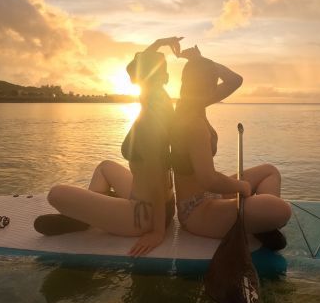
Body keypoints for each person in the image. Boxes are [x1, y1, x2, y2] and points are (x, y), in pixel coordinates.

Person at [34, 37, 181, 257]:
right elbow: (136, 65)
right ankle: (89, 216)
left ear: (139, 78)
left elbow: (156, 172)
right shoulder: (161, 99)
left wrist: (157, 233)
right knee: (106, 167)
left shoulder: (150, 119)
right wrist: (159, 43)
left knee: (55, 194)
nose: (132, 74)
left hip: (142, 215)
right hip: (163, 205)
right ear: (165, 77)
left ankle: (86, 218)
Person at [170, 46, 291, 250]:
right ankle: (260, 221)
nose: (217, 88)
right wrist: (241, 187)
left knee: (270, 171)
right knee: (281, 210)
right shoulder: (192, 123)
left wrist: (198, 60)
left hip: (211, 197)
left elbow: (235, 80)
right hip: (196, 211)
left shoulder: (194, 103)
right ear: (206, 86)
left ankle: (258, 222)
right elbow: (208, 179)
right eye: (213, 82)